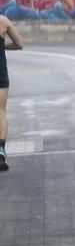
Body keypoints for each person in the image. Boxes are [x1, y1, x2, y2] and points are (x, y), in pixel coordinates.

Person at [0, 15, 25, 173]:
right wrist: (3, 46)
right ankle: (0, 150)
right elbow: (19, 44)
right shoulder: (3, 21)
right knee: (0, 110)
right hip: (0, 74)